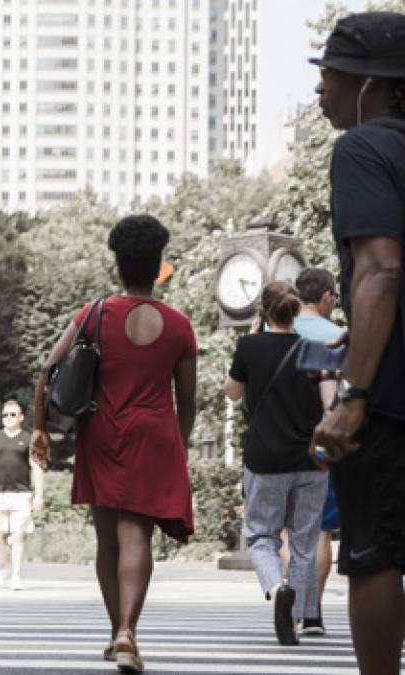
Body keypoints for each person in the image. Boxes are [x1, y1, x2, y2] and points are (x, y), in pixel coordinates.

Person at [31, 215, 197, 674]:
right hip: (155, 435)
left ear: (118, 266)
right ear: (158, 264)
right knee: (136, 534)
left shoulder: (93, 314)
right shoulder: (180, 326)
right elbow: (189, 399)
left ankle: (117, 633)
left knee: (107, 539)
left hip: (102, 432)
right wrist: (177, 450)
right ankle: (127, 632)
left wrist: (40, 428)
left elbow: (48, 369)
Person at [311, 13, 405, 674]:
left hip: (392, 394)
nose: (320, 84)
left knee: (375, 551)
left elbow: (380, 268)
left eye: (329, 69)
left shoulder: (364, 149)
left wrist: (353, 393)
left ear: (370, 82)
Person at [223, 282, 331, 646]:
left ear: (265, 312)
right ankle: (297, 619)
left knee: (261, 536)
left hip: (265, 458)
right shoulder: (313, 349)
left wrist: (252, 342)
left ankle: (275, 585)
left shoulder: (250, 346)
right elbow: (330, 404)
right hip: (310, 460)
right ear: (295, 310)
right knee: (304, 541)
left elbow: (232, 392)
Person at [292, 267, 345, 636]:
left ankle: (290, 603)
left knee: (286, 531)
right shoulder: (339, 335)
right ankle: (312, 613)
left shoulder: (273, 329)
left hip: (278, 442)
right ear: (326, 295)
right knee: (321, 530)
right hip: (322, 441)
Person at [0, 399, 45, 590]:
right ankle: (4, 563)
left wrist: (39, 495)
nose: (9, 418)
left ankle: (16, 575)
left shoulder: (29, 438)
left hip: (21, 494)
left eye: (13, 414)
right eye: (5, 415)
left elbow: (37, 468)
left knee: (19, 535)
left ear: (21, 417)